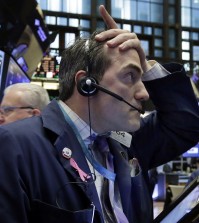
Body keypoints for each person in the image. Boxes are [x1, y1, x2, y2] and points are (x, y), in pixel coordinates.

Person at [0, 5, 199, 223]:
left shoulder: (127, 142)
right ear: (87, 84)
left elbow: (186, 125)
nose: (144, 93)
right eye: (130, 76)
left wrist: (147, 64)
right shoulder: (15, 146)